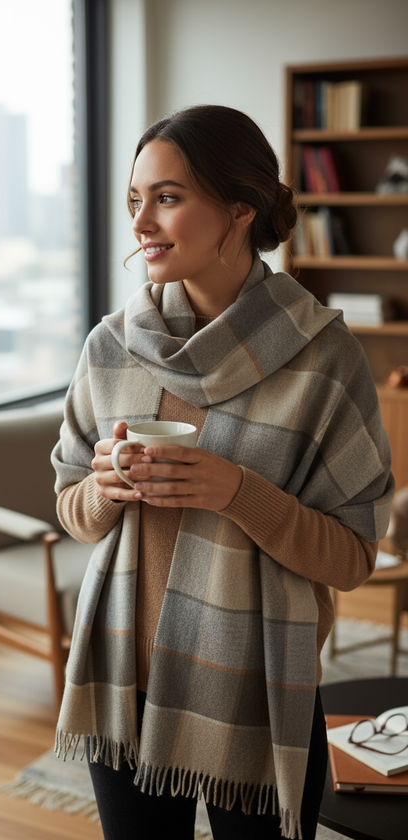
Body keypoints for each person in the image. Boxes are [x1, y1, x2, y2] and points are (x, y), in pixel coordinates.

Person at [51, 105, 394, 840]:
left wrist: (238, 493)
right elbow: (71, 509)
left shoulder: (323, 359)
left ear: (241, 209)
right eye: (135, 200)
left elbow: (353, 556)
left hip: (255, 688)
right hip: (120, 676)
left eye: (168, 198)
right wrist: (105, 488)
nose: (141, 223)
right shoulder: (110, 346)